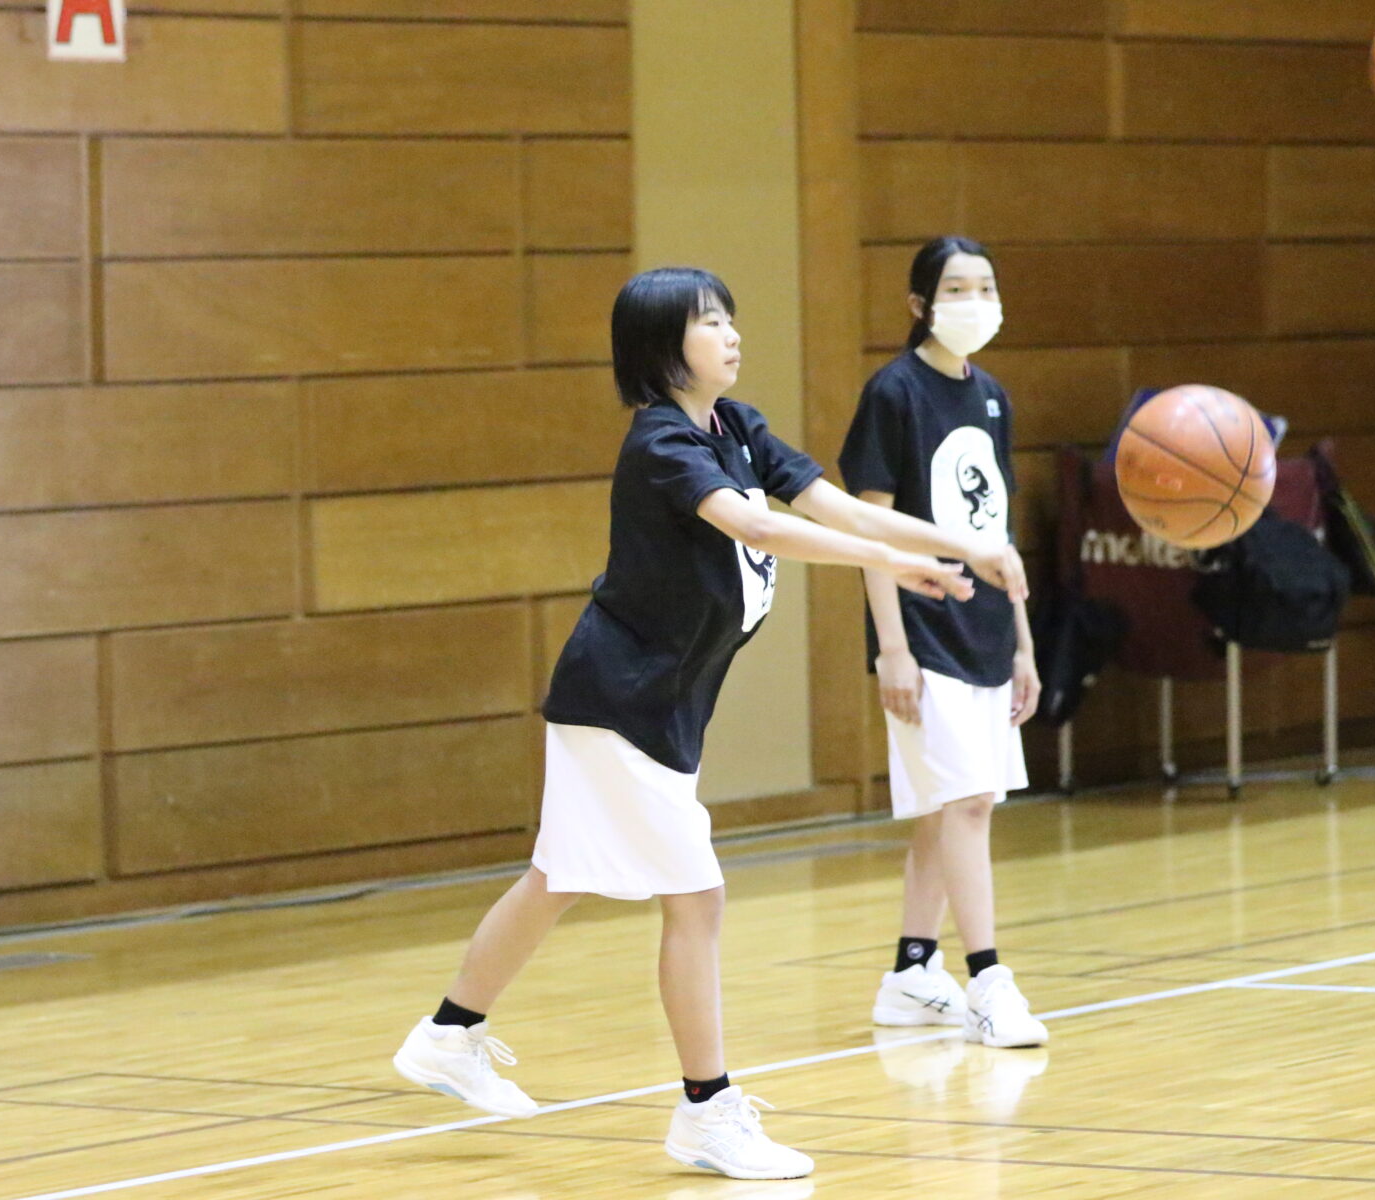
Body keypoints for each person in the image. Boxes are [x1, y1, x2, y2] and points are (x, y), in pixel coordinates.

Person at [393, 266, 1027, 1180]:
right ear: (663, 348)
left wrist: (957, 544)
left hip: (647, 704)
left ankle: (448, 1036)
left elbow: (831, 504)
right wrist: (894, 562)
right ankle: (707, 1109)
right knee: (697, 899)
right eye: (709, 322)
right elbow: (759, 530)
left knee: (557, 877)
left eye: (731, 316)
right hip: (622, 700)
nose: (731, 334)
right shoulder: (661, 443)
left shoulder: (738, 427)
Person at [838, 236, 1048, 1050]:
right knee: (964, 804)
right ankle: (990, 978)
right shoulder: (893, 392)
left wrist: (1024, 643)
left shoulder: (992, 395)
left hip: (989, 629)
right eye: (956, 287)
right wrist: (890, 646)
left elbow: (999, 531)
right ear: (919, 303)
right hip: (924, 629)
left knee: (956, 803)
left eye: (986, 286)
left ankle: (912, 972)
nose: (976, 301)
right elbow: (869, 530)